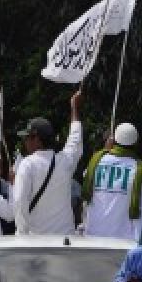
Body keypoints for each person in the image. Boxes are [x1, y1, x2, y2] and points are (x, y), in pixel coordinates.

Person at [12, 91, 85, 235]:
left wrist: (22, 233)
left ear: (37, 139)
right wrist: (74, 108)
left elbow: (20, 201)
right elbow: (76, 140)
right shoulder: (65, 162)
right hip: (65, 240)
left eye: (27, 137)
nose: (25, 141)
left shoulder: (27, 165)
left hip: (38, 241)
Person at [81, 123, 142, 241]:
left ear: (114, 139)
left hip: (93, 234)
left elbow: (85, 179)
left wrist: (106, 149)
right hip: (123, 239)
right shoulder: (140, 169)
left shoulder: (96, 160)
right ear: (135, 142)